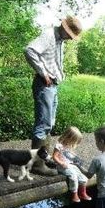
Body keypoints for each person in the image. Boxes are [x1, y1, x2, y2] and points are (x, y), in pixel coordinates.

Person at [24, 16, 82, 175]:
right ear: (65, 28)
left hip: (52, 85)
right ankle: (37, 165)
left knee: (49, 122)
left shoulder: (59, 39)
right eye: (70, 35)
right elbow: (29, 50)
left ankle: (43, 157)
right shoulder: (49, 35)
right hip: (45, 84)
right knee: (43, 124)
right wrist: (43, 73)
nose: (71, 38)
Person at [52, 126, 92, 203]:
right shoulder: (59, 145)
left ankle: (82, 193)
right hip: (62, 166)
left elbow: (69, 154)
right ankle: (74, 194)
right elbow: (54, 156)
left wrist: (75, 158)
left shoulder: (68, 145)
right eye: (74, 141)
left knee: (83, 177)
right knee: (73, 177)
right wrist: (61, 163)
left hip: (70, 165)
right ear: (68, 137)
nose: (74, 143)